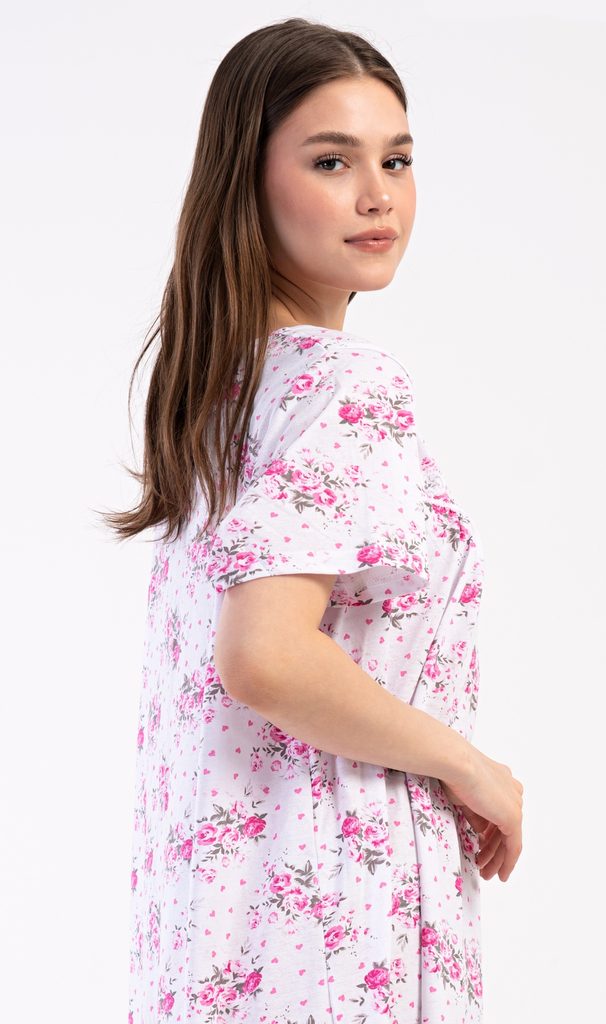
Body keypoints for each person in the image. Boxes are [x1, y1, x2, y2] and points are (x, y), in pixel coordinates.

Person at [102, 16, 523, 1024]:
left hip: (217, 934)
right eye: (332, 161)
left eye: (397, 159)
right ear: (245, 183)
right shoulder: (341, 385)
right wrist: (473, 769)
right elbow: (267, 657)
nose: (379, 194)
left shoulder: (219, 399)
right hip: (339, 919)